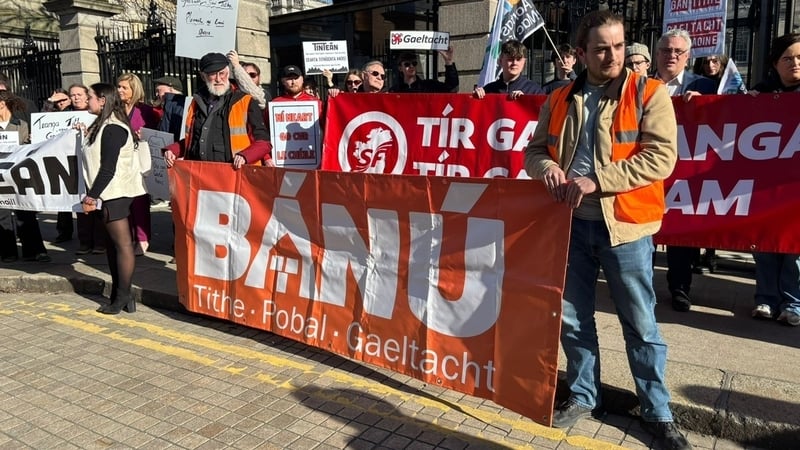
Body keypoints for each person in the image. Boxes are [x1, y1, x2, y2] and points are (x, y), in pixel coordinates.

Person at [524, 10, 692, 450]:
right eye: (600, 48)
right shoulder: (560, 98)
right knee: (574, 320)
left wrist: (597, 180)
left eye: (618, 46)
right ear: (580, 53)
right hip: (570, 228)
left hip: (628, 228)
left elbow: (660, 159)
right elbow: (535, 150)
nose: (612, 55)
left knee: (640, 323)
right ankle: (583, 396)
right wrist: (547, 170)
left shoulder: (650, 93)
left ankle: (657, 410)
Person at [653, 29, 718, 312]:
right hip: (647, 170)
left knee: (679, 232)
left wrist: (707, 104)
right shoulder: (638, 84)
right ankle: (641, 290)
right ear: (657, 54)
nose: (672, 56)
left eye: (678, 52)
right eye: (666, 50)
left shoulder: (705, 85)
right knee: (644, 234)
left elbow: (736, 113)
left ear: (688, 56)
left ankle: (680, 288)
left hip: (686, 172)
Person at [80, 83, 146, 314]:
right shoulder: (102, 125)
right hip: (107, 194)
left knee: (122, 245)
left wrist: (91, 197)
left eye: (90, 97)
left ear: (103, 100)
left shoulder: (113, 129)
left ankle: (123, 295)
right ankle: (121, 294)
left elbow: (107, 168)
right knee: (112, 246)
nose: (87, 100)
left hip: (115, 193)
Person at [748, 33, 800, 326]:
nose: (794, 63)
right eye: (788, 58)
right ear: (775, 64)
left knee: (795, 251)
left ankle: (793, 303)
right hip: (767, 188)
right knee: (765, 246)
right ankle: (765, 299)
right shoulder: (762, 93)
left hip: (796, 189)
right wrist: (749, 104)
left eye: (799, 58)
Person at [163, 52, 274, 169]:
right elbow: (194, 138)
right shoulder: (196, 102)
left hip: (234, 175)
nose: (218, 79)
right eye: (212, 74)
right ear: (203, 76)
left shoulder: (245, 101)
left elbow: (264, 143)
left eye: (222, 73)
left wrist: (245, 156)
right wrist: (173, 150)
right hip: (199, 175)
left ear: (228, 73)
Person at [0, 91, 50, 263]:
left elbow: (28, 148)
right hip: (1, 176)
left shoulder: (21, 124)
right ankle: (8, 252)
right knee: (2, 214)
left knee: (26, 212)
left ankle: (34, 250)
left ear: (1, 104)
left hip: (20, 175)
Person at [117, 73, 158, 256]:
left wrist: (144, 135)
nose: (119, 90)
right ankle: (130, 237)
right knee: (125, 200)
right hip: (120, 160)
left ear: (134, 90)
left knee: (139, 200)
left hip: (139, 160)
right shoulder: (115, 110)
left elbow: (156, 134)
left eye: (124, 87)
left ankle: (142, 239)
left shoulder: (145, 110)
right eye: (118, 87)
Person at [66, 83, 106, 255]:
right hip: (74, 167)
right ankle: (84, 241)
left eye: (80, 95)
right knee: (80, 205)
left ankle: (99, 242)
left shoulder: (96, 116)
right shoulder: (64, 115)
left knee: (95, 203)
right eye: (72, 95)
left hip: (94, 166)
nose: (76, 98)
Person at [474, 40, 544, 99]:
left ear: (524, 63)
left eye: (518, 59)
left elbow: (543, 113)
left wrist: (525, 101)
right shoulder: (488, 90)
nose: (514, 63)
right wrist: (475, 98)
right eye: (510, 59)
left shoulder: (534, 91)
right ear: (500, 61)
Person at [389, 48, 459, 93]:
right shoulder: (394, 91)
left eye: (414, 63)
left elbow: (451, 88)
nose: (411, 66)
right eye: (407, 64)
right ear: (400, 68)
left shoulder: (429, 86)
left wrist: (449, 62)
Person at [153, 76, 186, 141]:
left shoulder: (176, 105)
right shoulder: (171, 104)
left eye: (158, 90)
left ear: (171, 89)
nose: (156, 94)